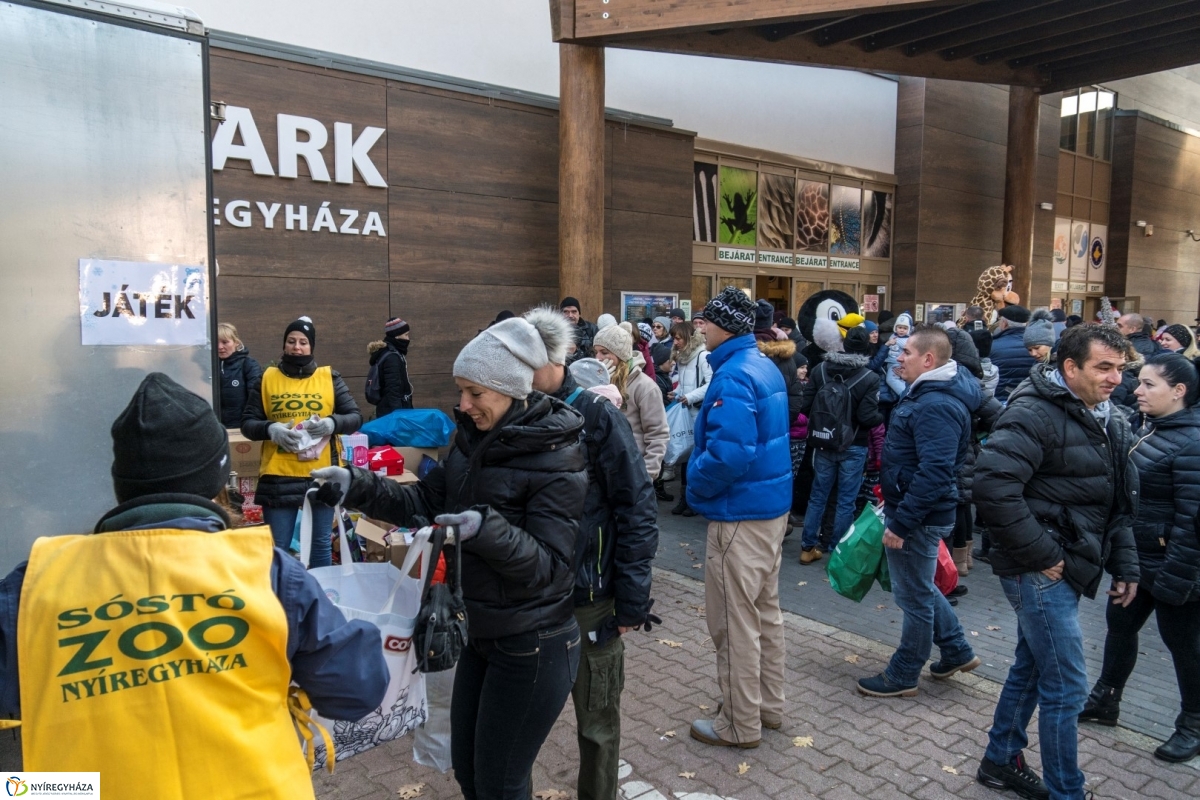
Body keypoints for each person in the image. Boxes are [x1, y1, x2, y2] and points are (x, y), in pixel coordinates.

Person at [0, 373, 387, 799]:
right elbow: (356, 692)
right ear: (214, 480)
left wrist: (26, 789)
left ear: (121, 483)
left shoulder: (36, 583)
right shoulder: (267, 572)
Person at [313, 316, 588, 800]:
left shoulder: (556, 455)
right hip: (480, 634)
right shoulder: (470, 440)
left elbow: (551, 567)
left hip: (535, 644)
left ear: (509, 389)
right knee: (469, 773)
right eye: (462, 390)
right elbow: (425, 504)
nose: (463, 404)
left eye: (475, 393)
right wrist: (356, 486)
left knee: (500, 785)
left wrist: (486, 528)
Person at [973, 324, 1140, 800]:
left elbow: (1116, 500)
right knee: (1066, 685)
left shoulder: (1110, 415)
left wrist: (1125, 563)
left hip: (1065, 562)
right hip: (1041, 569)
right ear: (1070, 367)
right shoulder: (1033, 412)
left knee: (1032, 666)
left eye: (1121, 369)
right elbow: (991, 488)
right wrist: (1043, 554)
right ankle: (1068, 792)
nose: (1115, 379)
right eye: (1103, 368)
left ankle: (1000, 760)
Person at [523, 307, 659, 800]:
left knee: (597, 723)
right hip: (530, 598)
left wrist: (632, 600)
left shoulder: (599, 417)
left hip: (591, 597)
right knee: (517, 722)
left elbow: (637, 509)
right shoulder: (510, 412)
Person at [1079, 354, 1200, 763]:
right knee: (1120, 625)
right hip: (1137, 558)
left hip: (1173, 565)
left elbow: (1192, 520)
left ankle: (1193, 723)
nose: (1137, 390)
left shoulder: (1193, 441)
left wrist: (1177, 578)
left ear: (1179, 391)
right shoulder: (1150, 427)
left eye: (1149, 384)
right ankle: (1105, 700)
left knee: (1184, 646)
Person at [686, 286, 791, 749]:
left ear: (724, 324)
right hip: (768, 511)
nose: (700, 325)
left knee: (733, 623)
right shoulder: (762, 365)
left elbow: (729, 454)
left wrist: (694, 486)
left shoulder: (732, 375)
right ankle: (766, 708)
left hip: (740, 515)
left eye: (707, 319)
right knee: (764, 614)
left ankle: (738, 722)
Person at [857, 324, 981, 697]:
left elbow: (935, 471)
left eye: (907, 352)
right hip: (915, 510)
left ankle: (905, 671)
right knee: (919, 587)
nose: (899, 356)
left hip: (919, 517)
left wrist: (903, 522)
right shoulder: (928, 394)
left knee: (913, 596)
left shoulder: (937, 403)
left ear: (928, 360)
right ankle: (956, 649)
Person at [241, 317, 362, 567]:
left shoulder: (329, 378)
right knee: (278, 549)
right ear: (284, 345)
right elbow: (247, 424)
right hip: (278, 475)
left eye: (303, 342)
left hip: (321, 473)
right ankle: (279, 604)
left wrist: (332, 423)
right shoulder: (266, 378)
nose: (297, 347)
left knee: (319, 545)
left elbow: (355, 416)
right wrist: (270, 428)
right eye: (291, 341)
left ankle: (319, 601)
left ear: (311, 346)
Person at [797, 327, 883, 564]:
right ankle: (836, 549)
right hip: (853, 445)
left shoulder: (821, 369)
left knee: (818, 496)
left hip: (822, 442)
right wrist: (881, 415)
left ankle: (807, 547)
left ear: (844, 344)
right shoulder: (870, 377)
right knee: (846, 499)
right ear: (866, 347)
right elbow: (867, 417)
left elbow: (806, 406)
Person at [593, 323, 670, 498]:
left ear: (620, 354)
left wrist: (646, 476)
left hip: (633, 475)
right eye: (595, 351)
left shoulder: (644, 386)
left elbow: (658, 434)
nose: (598, 357)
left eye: (604, 352)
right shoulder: (596, 381)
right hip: (601, 474)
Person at [668, 321, 712, 517]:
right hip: (687, 411)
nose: (675, 342)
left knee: (695, 457)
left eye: (678, 338)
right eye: (674, 338)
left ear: (688, 338)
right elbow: (685, 385)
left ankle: (693, 500)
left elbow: (711, 383)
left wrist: (689, 396)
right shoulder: (683, 358)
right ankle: (685, 498)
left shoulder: (702, 355)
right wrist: (676, 393)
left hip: (698, 412)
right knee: (687, 457)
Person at [216, 321, 262, 428]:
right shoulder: (206, 365)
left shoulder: (248, 365)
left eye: (225, 342)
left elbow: (255, 400)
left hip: (240, 428)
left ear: (236, 343)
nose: (220, 347)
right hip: (214, 429)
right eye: (216, 342)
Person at [370, 317, 415, 417]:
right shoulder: (392, 357)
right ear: (397, 336)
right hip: (393, 413)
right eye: (406, 335)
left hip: (389, 411)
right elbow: (393, 390)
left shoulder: (391, 353)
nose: (408, 339)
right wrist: (399, 416)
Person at [990, 305, 1037, 402]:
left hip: (1000, 400)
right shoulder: (1037, 347)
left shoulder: (992, 346)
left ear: (1004, 324)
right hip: (1030, 400)